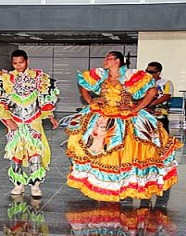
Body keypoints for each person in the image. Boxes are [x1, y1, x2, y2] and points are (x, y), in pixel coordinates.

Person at [65, 51, 182, 202]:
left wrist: (137, 108)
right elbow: (83, 85)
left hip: (126, 116)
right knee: (91, 144)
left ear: (118, 61)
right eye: (105, 58)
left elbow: (152, 91)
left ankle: (124, 184)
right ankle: (107, 186)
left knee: (131, 149)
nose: (105, 61)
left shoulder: (130, 76)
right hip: (103, 115)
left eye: (108, 58)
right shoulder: (101, 75)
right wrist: (90, 101)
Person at [0, 49, 59, 197]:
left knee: (35, 154)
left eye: (21, 62)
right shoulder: (4, 78)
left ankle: (35, 185)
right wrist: (8, 120)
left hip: (33, 121)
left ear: (27, 61)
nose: (18, 65)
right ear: (12, 63)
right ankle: (18, 184)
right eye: (15, 63)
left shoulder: (39, 77)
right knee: (15, 154)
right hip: (14, 121)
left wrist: (51, 117)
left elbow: (45, 99)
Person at [142, 61, 174, 208]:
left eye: (152, 71)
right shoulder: (142, 82)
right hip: (145, 118)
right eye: (148, 70)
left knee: (161, 143)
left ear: (158, 73)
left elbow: (166, 96)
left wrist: (151, 103)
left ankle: (161, 166)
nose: (149, 73)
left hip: (160, 117)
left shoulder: (167, 82)